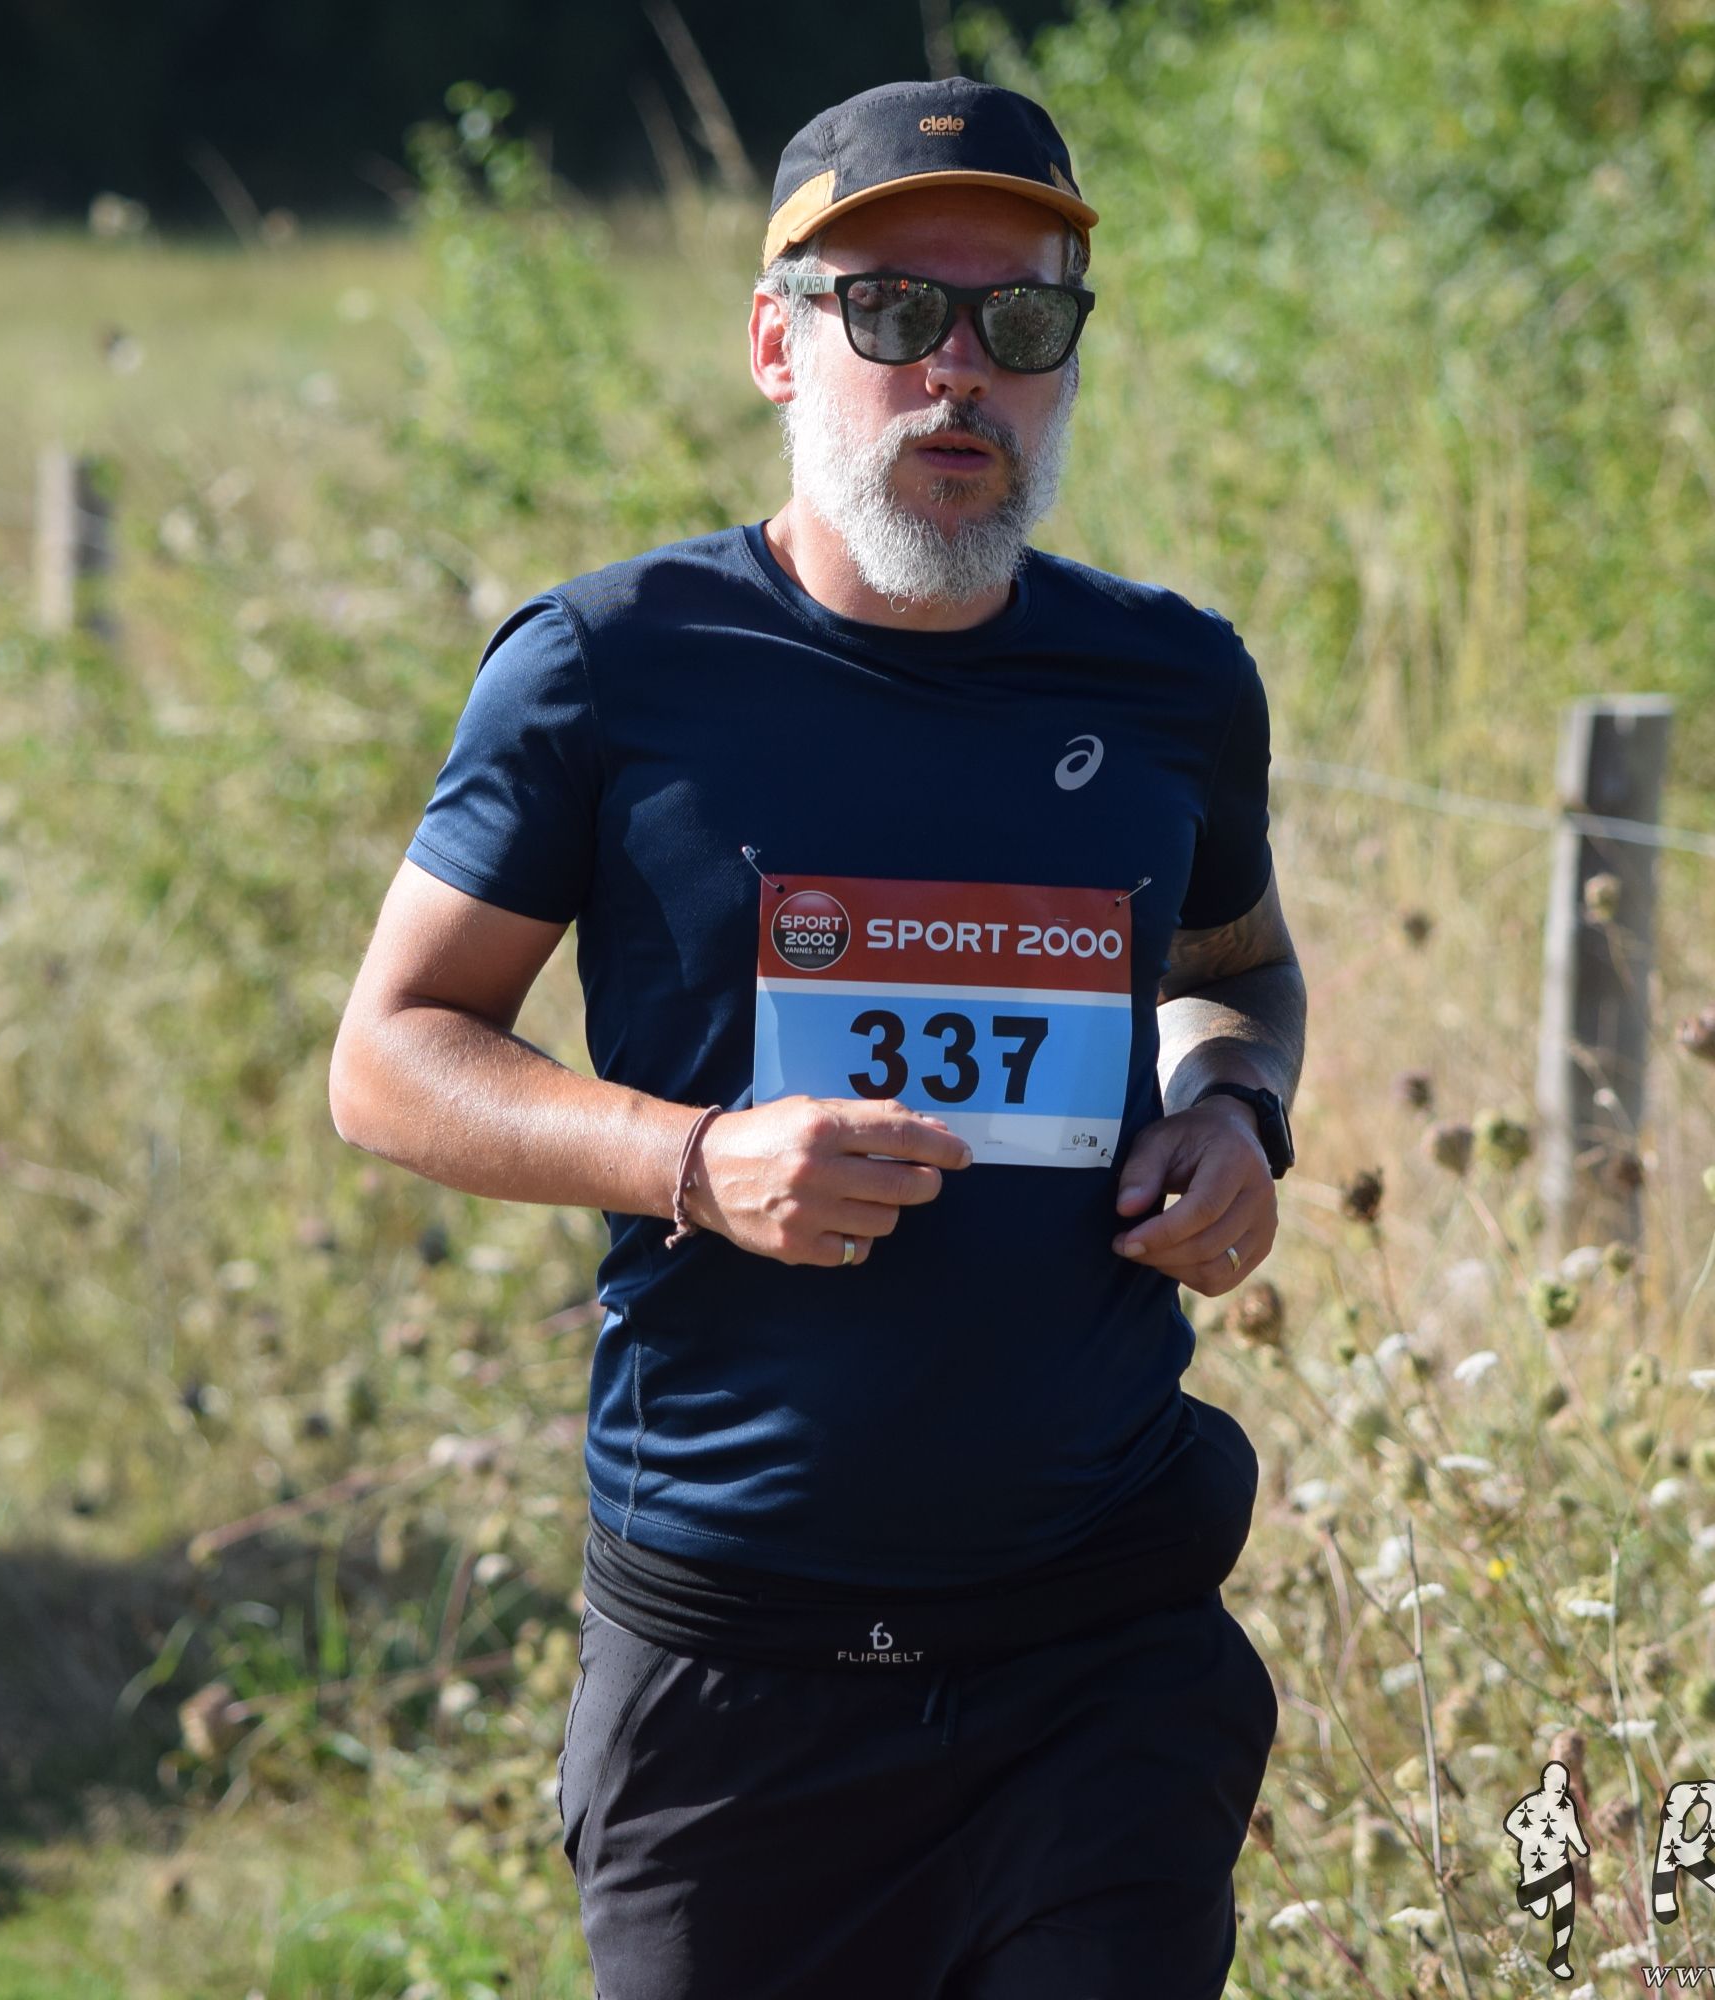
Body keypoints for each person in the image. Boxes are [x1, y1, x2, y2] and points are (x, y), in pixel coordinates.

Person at [332, 78, 1306, 1999]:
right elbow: (390, 1056)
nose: (961, 371)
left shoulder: (1171, 678)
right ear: (779, 345)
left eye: (1021, 319)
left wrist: (1234, 1105)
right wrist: (695, 1164)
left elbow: (1239, 969)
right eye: (896, 311)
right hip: (738, 1664)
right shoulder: (609, 666)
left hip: (1100, 1660)